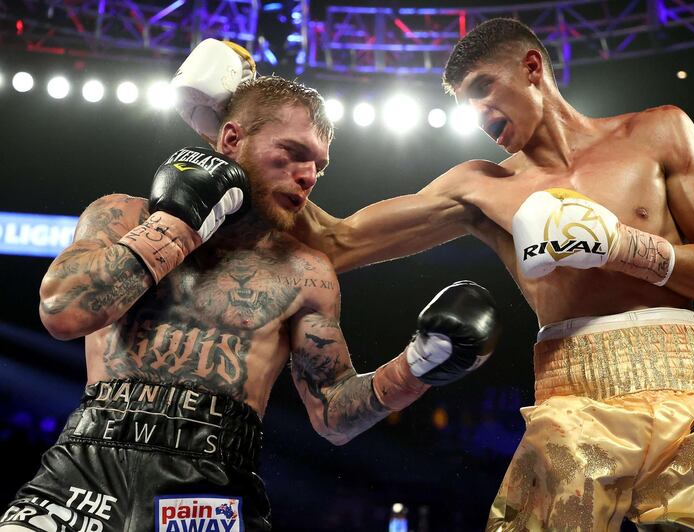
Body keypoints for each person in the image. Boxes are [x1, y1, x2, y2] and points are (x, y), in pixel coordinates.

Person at [290, 18, 694, 531]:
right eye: (466, 105)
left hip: (692, 399)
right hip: (573, 405)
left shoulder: (658, 133)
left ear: (532, 68)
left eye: (484, 89)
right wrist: (249, 143)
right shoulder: (483, 187)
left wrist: (626, 247)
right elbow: (336, 242)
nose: (479, 114)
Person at [0, 51, 502, 532]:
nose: (307, 175)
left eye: (319, 166)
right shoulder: (123, 215)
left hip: (210, 487)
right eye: (293, 154)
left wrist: (417, 367)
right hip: (85, 468)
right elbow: (63, 313)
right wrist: (178, 222)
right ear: (232, 139)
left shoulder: (305, 272)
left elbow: (332, 414)